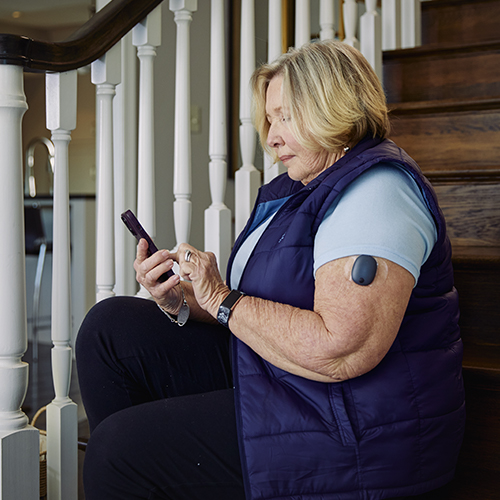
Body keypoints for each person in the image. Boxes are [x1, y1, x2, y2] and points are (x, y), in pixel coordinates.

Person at [76, 40, 465, 500]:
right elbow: (257, 307)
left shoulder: (376, 192)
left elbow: (341, 349)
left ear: (333, 107)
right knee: (109, 329)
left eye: (285, 116)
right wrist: (183, 299)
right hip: (283, 378)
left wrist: (221, 297)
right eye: (271, 118)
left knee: (117, 449)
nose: (271, 136)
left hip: (355, 426)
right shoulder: (302, 188)